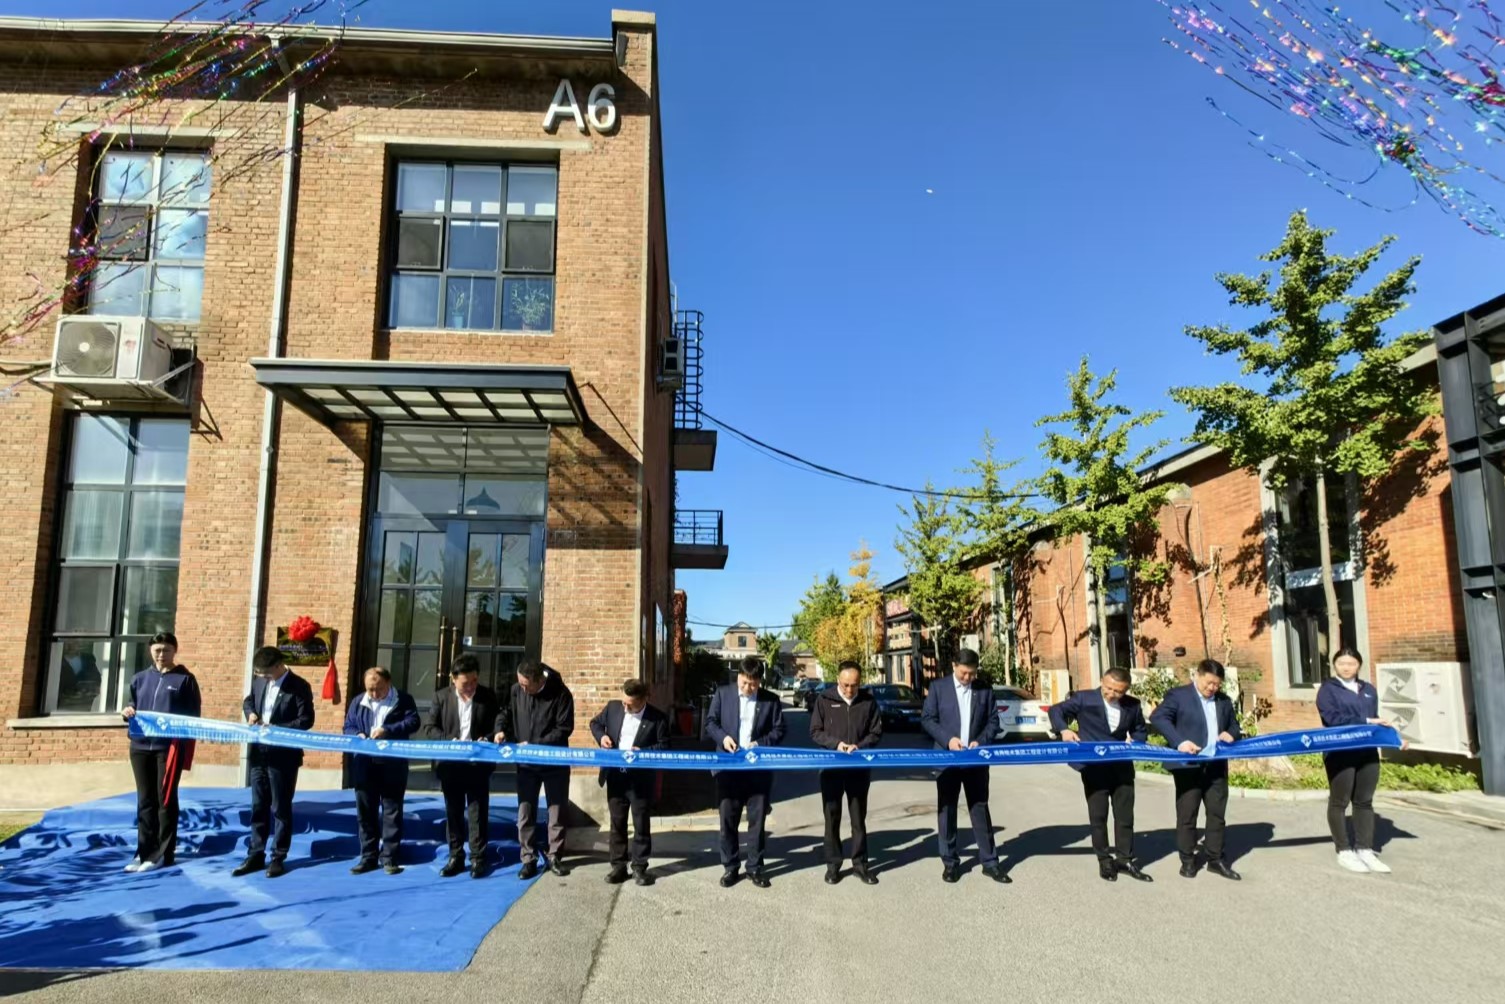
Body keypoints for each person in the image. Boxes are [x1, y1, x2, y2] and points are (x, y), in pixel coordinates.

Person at [1048, 667, 1152, 882]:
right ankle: (1104, 860)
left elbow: (1140, 730)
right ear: (1102, 681)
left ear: (1126, 690)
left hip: (1121, 766)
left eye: (1118, 691)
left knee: (1125, 817)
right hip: (1094, 767)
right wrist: (1064, 730)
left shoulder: (1132, 705)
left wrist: (1137, 741)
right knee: (1099, 816)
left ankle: (1125, 859)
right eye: (1108, 688)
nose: (1112, 694)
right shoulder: (1084, 699)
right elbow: (1055, 711)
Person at [1150, 659, 1243, 880]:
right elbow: (1158, 717)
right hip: (1188, 766)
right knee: (1187, 815)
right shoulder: (1179, 696)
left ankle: (1215, 859)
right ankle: (1188, 860)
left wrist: (1231, 734)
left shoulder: (1223, 701)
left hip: (1216, 766)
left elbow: (1234, 726)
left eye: (1217, 684)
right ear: (1197, 675)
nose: (1212, 688)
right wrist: (1179, 742)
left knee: (1217, 815)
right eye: (1209, 682)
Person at [921, 648, 1006, 884]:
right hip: (947, 760)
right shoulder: (938, 688)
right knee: (947, 810)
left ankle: (990, 862)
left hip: (975, 761)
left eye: (972, 673)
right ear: (954, 666)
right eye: (964, 673)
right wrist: (948, 740)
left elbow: (993, 721)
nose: (968, 678)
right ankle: (950, 863)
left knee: (980, 809)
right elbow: (927, 719)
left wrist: (982, 741)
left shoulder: (984, 690)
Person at [119, 632, 202, 873]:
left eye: (166, 650)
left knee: (164, 799)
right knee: (145, 800)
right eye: (157, 650)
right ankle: (144, 851)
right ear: (150, 651)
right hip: (140, 746)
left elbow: (193, 716)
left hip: (169, 748)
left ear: (174, 651)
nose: (161, 654)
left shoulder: (185, 680)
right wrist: (127, 711)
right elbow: (133, 704)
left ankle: (164, 853)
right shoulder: (139, 678)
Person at [703, 657, 785, 888]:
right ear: (738, 676)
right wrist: (723, 738)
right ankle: (730, 867)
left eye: (753, 684)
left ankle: (755, 867)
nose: (748, 688)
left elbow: (780, 729)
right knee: (728, 821)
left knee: (757, 823)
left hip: (758, 771)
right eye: (744, 682)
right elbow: (710, 723)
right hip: (728, 768)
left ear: (760, 681)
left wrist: (760, 743)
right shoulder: (723, 694)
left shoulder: (771, 700)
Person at [234, 646, 315, 878]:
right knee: (258, 806)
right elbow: (248, 701)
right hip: (259, 754)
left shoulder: (299, 686)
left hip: (283, 756)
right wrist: (250, 713)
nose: (263, 678)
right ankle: (255, 854)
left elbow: (306, 720)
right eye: (260, 674)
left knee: (280, 807)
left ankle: (278, 856)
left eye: (267, 674)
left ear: (279, 666)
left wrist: (276, 729)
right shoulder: (260, 681)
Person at [1317, 646, 1399, 874]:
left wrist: (1394, 738)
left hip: (1367, 751)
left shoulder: (1369, 690)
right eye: (1341, 663)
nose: (1346, 667)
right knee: (1339, 801)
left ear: (1359, 666)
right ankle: (1344, 850)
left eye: (1351, 663)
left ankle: (1364, 849)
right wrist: (1367, 721)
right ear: (1334, 665)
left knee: (1364, 801)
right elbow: (1332, 719)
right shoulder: (1328, 690)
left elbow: (1376, 720)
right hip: (1340, 751)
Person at [496, 660, 575, 879]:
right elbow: (506, 712)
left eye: (526, 685)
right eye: (520, 683)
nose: (522, 689)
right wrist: (501, 729)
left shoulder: (561, 694)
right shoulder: (516, 691)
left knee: (556, 812)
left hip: (554, 762)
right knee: (525, 812)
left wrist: (534, 745)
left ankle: (555, 856)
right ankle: (528, 858)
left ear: (539, 681)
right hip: (526, 764)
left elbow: (564, 729)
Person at [589, 678, 671, 886]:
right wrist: (602, 737)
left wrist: (643, 752)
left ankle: (639, 867)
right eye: (623, 703)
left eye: (630, 705)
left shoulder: (658, 718)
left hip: (640, 780)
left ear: (643, 700)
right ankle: (618, 866)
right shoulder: (613, 708)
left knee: (641, 823)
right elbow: (595, 723)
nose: (625, 708)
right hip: (616, 776)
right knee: (617, 823)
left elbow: (665, 746)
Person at [424, 654, 499, 878]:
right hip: (451, 764)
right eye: (466, 683)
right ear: (453, 679)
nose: (471, 686)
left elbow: (498, 725)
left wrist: (489, 737)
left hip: (478, 764)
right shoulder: (441, 697)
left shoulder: (487, 696)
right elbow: (430, 728)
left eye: (474, 681)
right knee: (453, 812)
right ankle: (455, 857)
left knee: (478, 813)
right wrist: (450, 741)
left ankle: (478, 858)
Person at [808, 660, 882, 885]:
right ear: (838, 681)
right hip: (831, 768)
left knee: (858, 819)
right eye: (845, 685)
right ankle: (833, 866)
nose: (850, 689)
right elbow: (815, 731)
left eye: (854, 685)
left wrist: (860, 746)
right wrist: (837, 745)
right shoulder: (824, 699)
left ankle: (860, 865)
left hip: (858, 769)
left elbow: (876, 732)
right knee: (832, 818)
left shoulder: (868, 701)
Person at [343, 666, 420, 875]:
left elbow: (413, 722)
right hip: (364, 763)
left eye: (378, 689)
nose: (374, 694)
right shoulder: (358, 701)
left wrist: (388, 730)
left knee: (391, 810)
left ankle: (390, 857)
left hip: (392, 763)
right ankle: (368, 856)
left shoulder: (403, 700)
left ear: (388, 683)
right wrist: (357, 734)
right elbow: (348, 725)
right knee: (365, 812)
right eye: (370, 689)